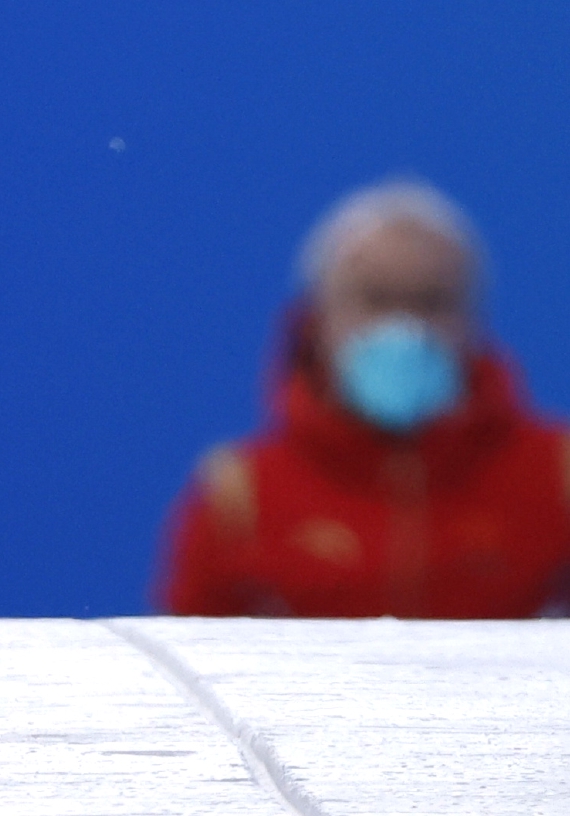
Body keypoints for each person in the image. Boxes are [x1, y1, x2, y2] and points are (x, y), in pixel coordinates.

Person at [155, 178, 570, 617]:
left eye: (431, 302)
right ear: (318, 316)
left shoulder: (558, 478)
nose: (403, 326)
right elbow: (196, 668)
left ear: (474, 318)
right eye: (374, 299)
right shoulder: (240, 499)